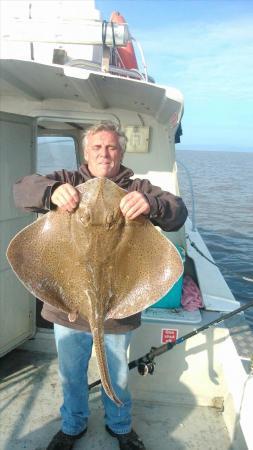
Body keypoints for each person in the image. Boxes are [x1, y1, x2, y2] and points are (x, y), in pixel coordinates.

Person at [13, 121, 188, 450]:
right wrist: (50, 193)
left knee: (117, 375)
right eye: (97, 147)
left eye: (111, 147)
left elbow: (178, 212)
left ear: (121, 152)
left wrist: (154, 205)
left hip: (119, 306)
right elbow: (22, 189)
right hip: (68, 305)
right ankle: (72, 425)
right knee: (71, 373)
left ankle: (120, 426)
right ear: (86, 151)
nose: (104, 154)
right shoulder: (67, 181)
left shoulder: (138, 187)